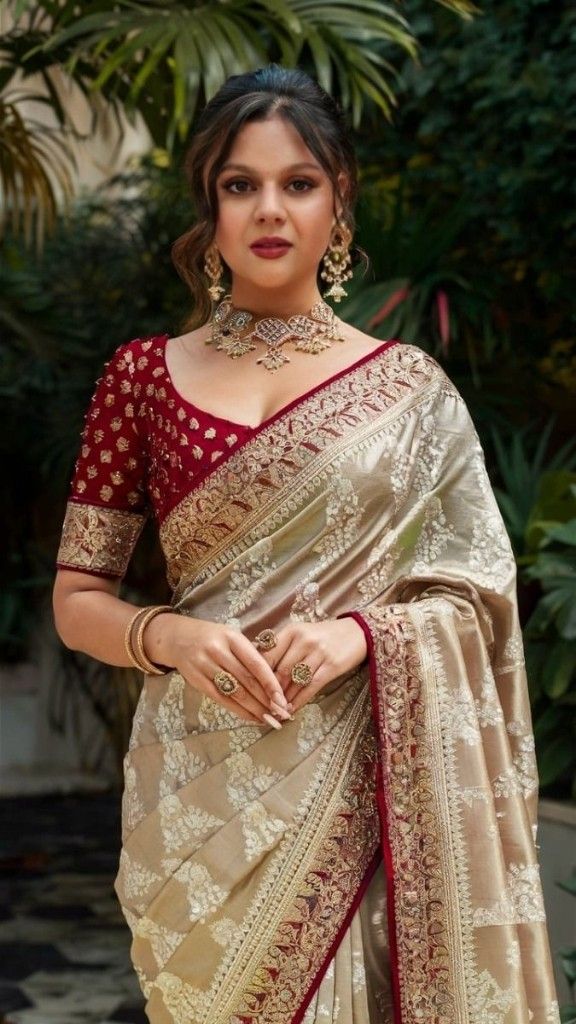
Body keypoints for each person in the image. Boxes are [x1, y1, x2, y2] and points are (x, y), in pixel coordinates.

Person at [53, 64, 559, 1024]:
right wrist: (173, 637)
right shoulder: (143, 378)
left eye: (300, 182)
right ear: (209, 206)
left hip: (369, 783)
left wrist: (367, 636)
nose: (269, 209)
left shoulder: (410, 388)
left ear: (340, 202)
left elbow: (478, 586)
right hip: (201, 799)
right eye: (240, 184)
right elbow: (79, 598)